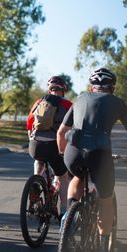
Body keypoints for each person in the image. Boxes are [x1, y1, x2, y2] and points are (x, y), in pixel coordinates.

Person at [57, 68, 127, 252]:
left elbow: (61, 132)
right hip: (99, 154)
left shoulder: (79, 99)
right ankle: (104, 245)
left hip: (73, 152)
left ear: (91, 86)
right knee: (105, 198)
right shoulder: (118, 102)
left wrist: (62, 153)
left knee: (77, 177)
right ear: (112, 87)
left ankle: (69, 218)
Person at [26, 76, 72, 219]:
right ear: (63, 89)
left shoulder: (38, 103)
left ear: (49, 89)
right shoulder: (67, 105)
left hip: (35, 145)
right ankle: (64, 214)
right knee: (63, 177)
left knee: (39, 161)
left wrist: (34, 141)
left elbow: (29, 127)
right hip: (55, 146)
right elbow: (75, 129)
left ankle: (35, 182)